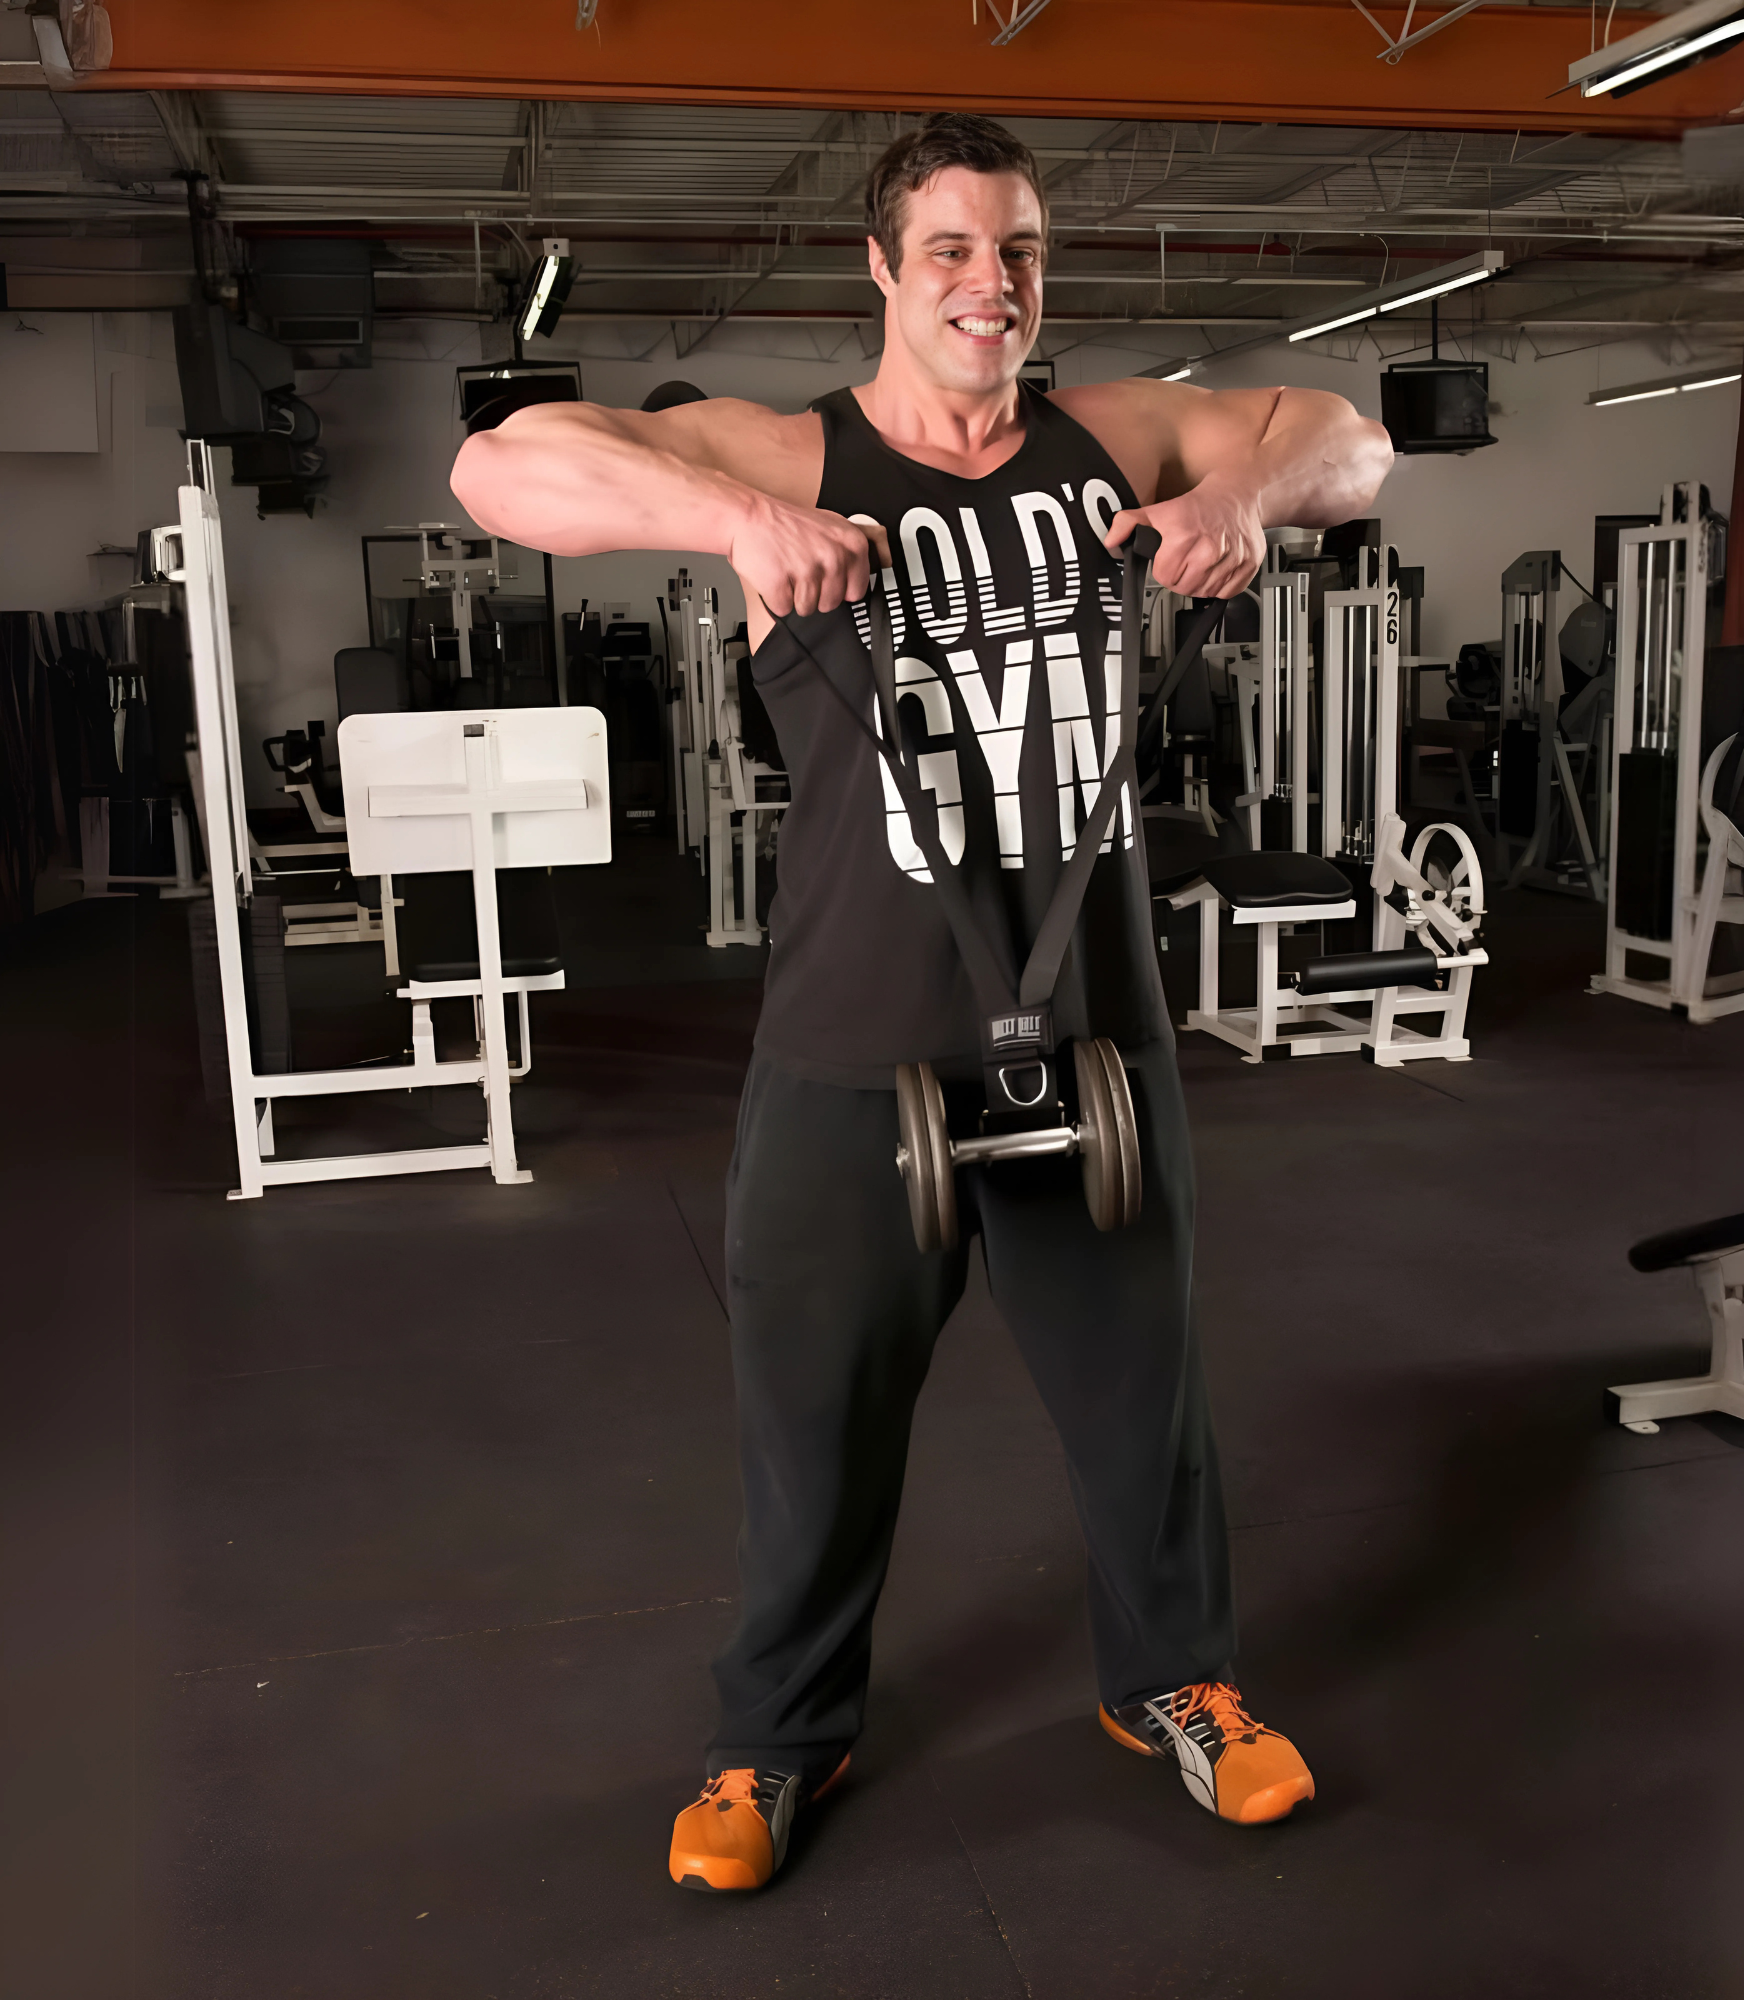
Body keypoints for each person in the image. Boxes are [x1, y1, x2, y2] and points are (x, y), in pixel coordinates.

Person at [452, 111, 1393, 1894]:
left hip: (1095, 1034)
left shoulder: (1113, 436)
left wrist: (1236, 502)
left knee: (1143, 1393)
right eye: (951, 249)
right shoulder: (787, 451)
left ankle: (1175, 1684)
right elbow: (504, 471)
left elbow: (1353, 435)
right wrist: (736, 522)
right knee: (811, 1413)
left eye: (1020, 248)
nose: (992, 284)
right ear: (881, 268)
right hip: (851, 1046)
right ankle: (775, 1741)